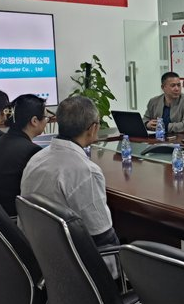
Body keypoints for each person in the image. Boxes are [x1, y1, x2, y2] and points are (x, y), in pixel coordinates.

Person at [21, 96, 119, 252]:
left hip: (39, 251)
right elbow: (102, 236)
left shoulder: (36, 159)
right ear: (93, 128)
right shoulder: (85, 171)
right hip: (75, 259)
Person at [0, 94, 48, 216]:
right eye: (45, 117)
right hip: (15, 217)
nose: (46, 121)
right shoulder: (31, 151)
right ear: (34, 121)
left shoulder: (0, 141)